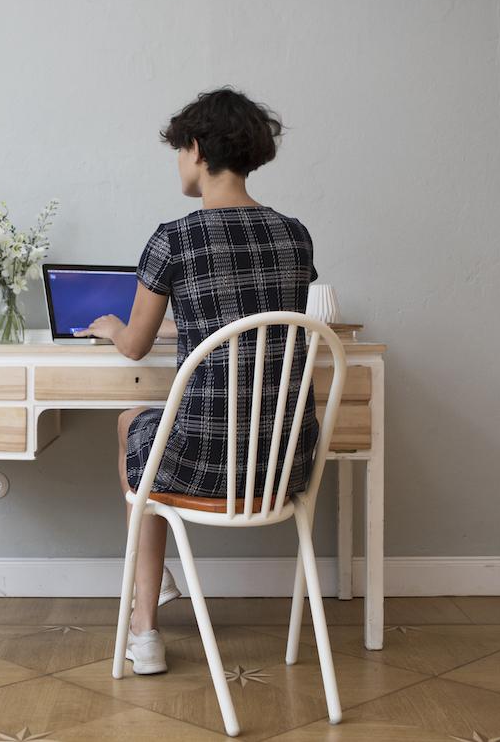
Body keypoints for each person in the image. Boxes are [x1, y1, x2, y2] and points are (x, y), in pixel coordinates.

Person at [77, 87, 319, 675]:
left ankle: (147, 624)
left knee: (133, 423)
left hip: (203, 460)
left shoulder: (175, 237)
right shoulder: (296, 234)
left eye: (178, 151)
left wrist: (111, 326)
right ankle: (151, 599)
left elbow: (136, 345)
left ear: (194, 149)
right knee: (152, 432)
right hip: (283, 463)